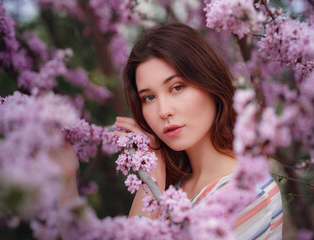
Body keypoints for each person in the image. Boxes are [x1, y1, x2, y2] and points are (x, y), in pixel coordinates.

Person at [114, 23, 283, 239]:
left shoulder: (248, 195)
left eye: (177, 87)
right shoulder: (175, 188)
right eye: (149, 97)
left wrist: (151, 180)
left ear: (209, 83)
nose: (163, 111)